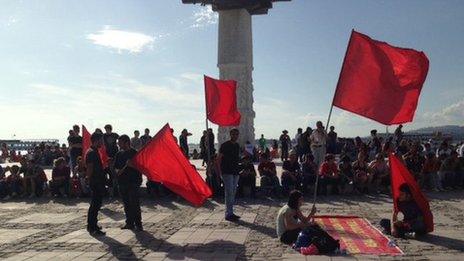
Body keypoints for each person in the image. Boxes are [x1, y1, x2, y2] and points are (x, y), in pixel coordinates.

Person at [115, 135, 143, 231]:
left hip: (133, 182)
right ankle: (129, 223)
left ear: (126, 142)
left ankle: (138, 224)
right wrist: (125, 167)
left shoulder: (135, 153)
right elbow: (116, 171)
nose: (118, 144)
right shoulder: (118, 154)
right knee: (126, 204)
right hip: (122, 182)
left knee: (135, 204)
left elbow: (141, 168)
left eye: (120, 142)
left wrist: (132, 166)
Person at [217, 128, 241, 222]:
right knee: (229, 192)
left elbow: (236, 158)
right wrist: (219, 171)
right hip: (227, 171)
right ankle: (228, 213)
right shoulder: (225, 145)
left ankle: (231, 212)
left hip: (235, 171)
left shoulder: (237, 145)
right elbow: (219, 158)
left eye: (236, 134)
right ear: (230, 135)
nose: (235, 136)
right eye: (233, 134)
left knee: (233, 192)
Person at [86, 132, 107, 236]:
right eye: (101, 140)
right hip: (95, 182)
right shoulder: (91, 152)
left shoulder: (95, 151)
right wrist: (88, 179)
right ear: (96, 140)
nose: (102, 142)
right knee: (95, 205)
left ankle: (93, 225)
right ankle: (92, 226)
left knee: (97, 204)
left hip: (98, 181)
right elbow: (90, 167)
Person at [103, 124, 119, 197]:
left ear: (110, 129)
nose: (107, 130)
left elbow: (120, 139)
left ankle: (115, 189)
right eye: (106, 129)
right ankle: (109, 188)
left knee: (113, 172)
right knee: (106, 171)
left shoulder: (115, 135)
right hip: (107, 155)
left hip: (114, 154)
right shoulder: (104, 136)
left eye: (108, 129)